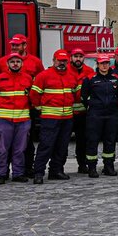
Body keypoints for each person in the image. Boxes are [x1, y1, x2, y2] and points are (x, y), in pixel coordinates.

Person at [29, 49, 79, 184]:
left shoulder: (71, 76)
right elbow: (34, 95)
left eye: (64, 61)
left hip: (67, 118)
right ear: (53, 60)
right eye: (59, 60)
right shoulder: (43, 76)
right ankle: (38, 173)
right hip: (50, 118)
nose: (61, 63)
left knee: (62, 147)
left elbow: (75, 94)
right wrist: (40, 108)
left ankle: (56, 171)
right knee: (46, 145)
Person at [80, 56, 118, 177]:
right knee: (92, 141)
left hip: (111, 114)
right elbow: (84, 96)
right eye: (102, 63)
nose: (104, 66)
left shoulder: (115, 79)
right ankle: (92, 167)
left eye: (106, 63)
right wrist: (93, 105)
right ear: (97, 65)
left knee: (110, 141)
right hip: (95, 115)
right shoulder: (90, 79)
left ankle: (109, 166)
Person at [0, 53, 33, 184]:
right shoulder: (0, 78)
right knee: (2, 149)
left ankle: (18, 173)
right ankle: (1, 173)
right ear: (7, 64)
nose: (15, 64)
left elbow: (32, 97)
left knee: (20, 149)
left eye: (18, 61)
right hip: (3, 119)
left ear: (22, 64)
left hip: (23, 120)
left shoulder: (28, 78)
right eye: (12, 61)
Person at [65, 48, 94, 174]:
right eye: (75, 56)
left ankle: (82, 165)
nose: (78, 59)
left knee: (83, 141)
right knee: (63, 142)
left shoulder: (89, 71)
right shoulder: (65, 71)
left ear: (84, 58)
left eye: (80, 56)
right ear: (71, 58)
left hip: (83, 114)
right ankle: (57, 167)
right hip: (67, 113)